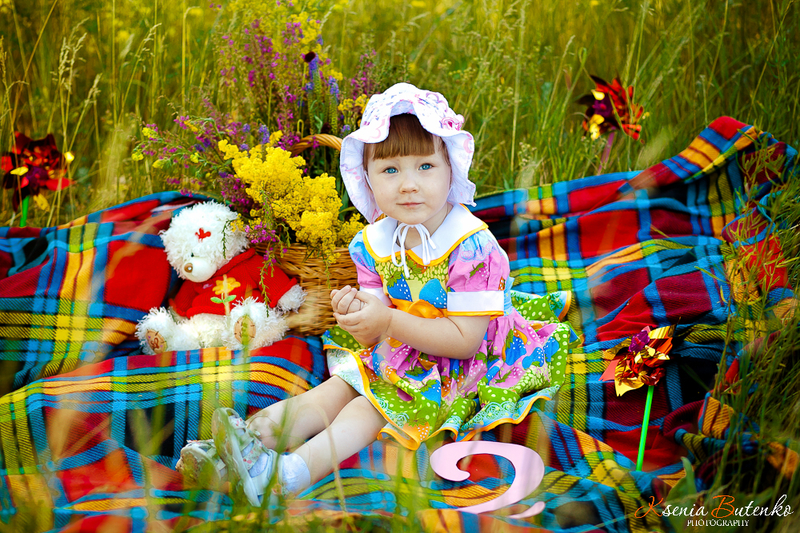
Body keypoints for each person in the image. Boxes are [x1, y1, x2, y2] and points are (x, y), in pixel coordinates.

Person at [179, 82, 574, 507]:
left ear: (451, 169)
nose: (408, 185)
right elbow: (376, 330)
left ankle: (284, 477)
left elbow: (464, 341)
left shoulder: (472, 247)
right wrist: (359, 317)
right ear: (366, 178)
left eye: (425, 166)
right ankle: (242, 446)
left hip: (466, 359)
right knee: (332, 391)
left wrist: (386, 320)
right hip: (403, 346)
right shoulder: (373, 242)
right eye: (390, 170)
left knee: (365, 408)